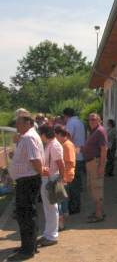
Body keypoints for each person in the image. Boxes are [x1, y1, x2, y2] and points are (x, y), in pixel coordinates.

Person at [7, 110, 44, 261]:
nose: (16, 126)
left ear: (27, 123)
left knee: (26, 215)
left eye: (18, 123)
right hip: (27, 179)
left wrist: (40, 172)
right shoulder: (27, 136)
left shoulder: (29, 137)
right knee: (27, 214)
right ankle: (29, 245)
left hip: (27, 180)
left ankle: (27, 250)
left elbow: (35, 160)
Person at [37, 124, 65, 247]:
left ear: (43, 134)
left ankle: (52, 236)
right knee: (48, 208)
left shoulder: (54, 145)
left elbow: (61, 163)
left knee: (52, 208)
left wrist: (60, 178)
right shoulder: (51, 144)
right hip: (48, 178)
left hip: (51, 179)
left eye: (40, 135)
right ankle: (48, 234)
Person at [83, 113, 107, 223]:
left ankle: (98, 215)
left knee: (97, 188)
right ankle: (99, 212)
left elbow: (104, 149)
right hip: (91, 163)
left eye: (94, 119)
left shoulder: (100, 131)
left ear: (99, 120)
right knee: (92, 188)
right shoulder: (94, 131)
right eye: (90, 119)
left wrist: (101, 166)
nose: (91, 121)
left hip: (95, 163)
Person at [63, 107, 86, 214]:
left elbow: (67, 138)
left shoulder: (70, 123)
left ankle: (74, 207)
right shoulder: (80, 122)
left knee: (72, 184)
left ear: (66, 116)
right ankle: (76, 206)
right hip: (80, 155)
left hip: (74, 156)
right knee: (77, 183)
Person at [54, 125, 75, 231]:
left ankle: (61, 223)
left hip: (64, 176)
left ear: (59, 135)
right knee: (62, 200)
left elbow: (69, 162)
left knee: (59, 200)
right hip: (64, 175)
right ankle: (62, 221)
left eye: (55, 135)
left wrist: (63, 176)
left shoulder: (66, 145)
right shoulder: (65, 144)